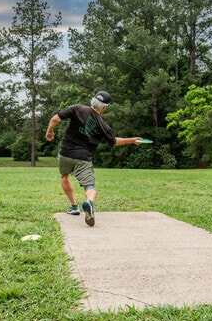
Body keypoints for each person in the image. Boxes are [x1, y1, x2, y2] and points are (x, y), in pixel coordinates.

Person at [45, 91, 142, 226]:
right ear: (104, 107)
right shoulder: (103, 125)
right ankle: (89, 202)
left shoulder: (77, 108)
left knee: (64, 176)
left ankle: (74, 207)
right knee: (89, 186)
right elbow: (114, 142)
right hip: (83, 158)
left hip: (65, 154)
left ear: (93, 101)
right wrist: (132, 140)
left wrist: (50, 131)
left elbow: (55, 119)